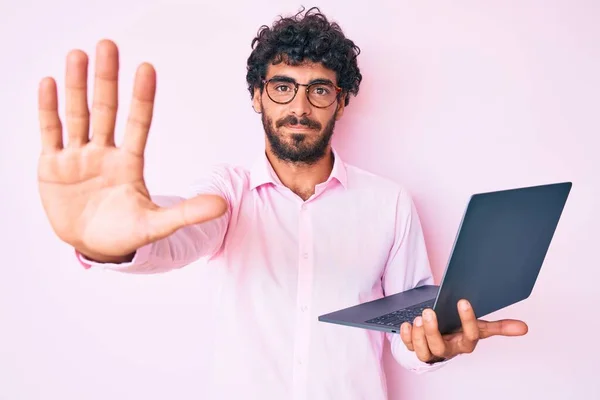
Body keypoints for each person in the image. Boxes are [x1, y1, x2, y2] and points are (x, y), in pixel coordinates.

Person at [37, 7, 528, 400]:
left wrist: (431, 345)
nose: (299, 106)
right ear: (257, 96)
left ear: (341, 101)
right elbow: (178, 236)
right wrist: (109, 248)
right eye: (282, 87)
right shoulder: (226, 190)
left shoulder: (389, 202)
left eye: (319, 90)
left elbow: (405, 334)